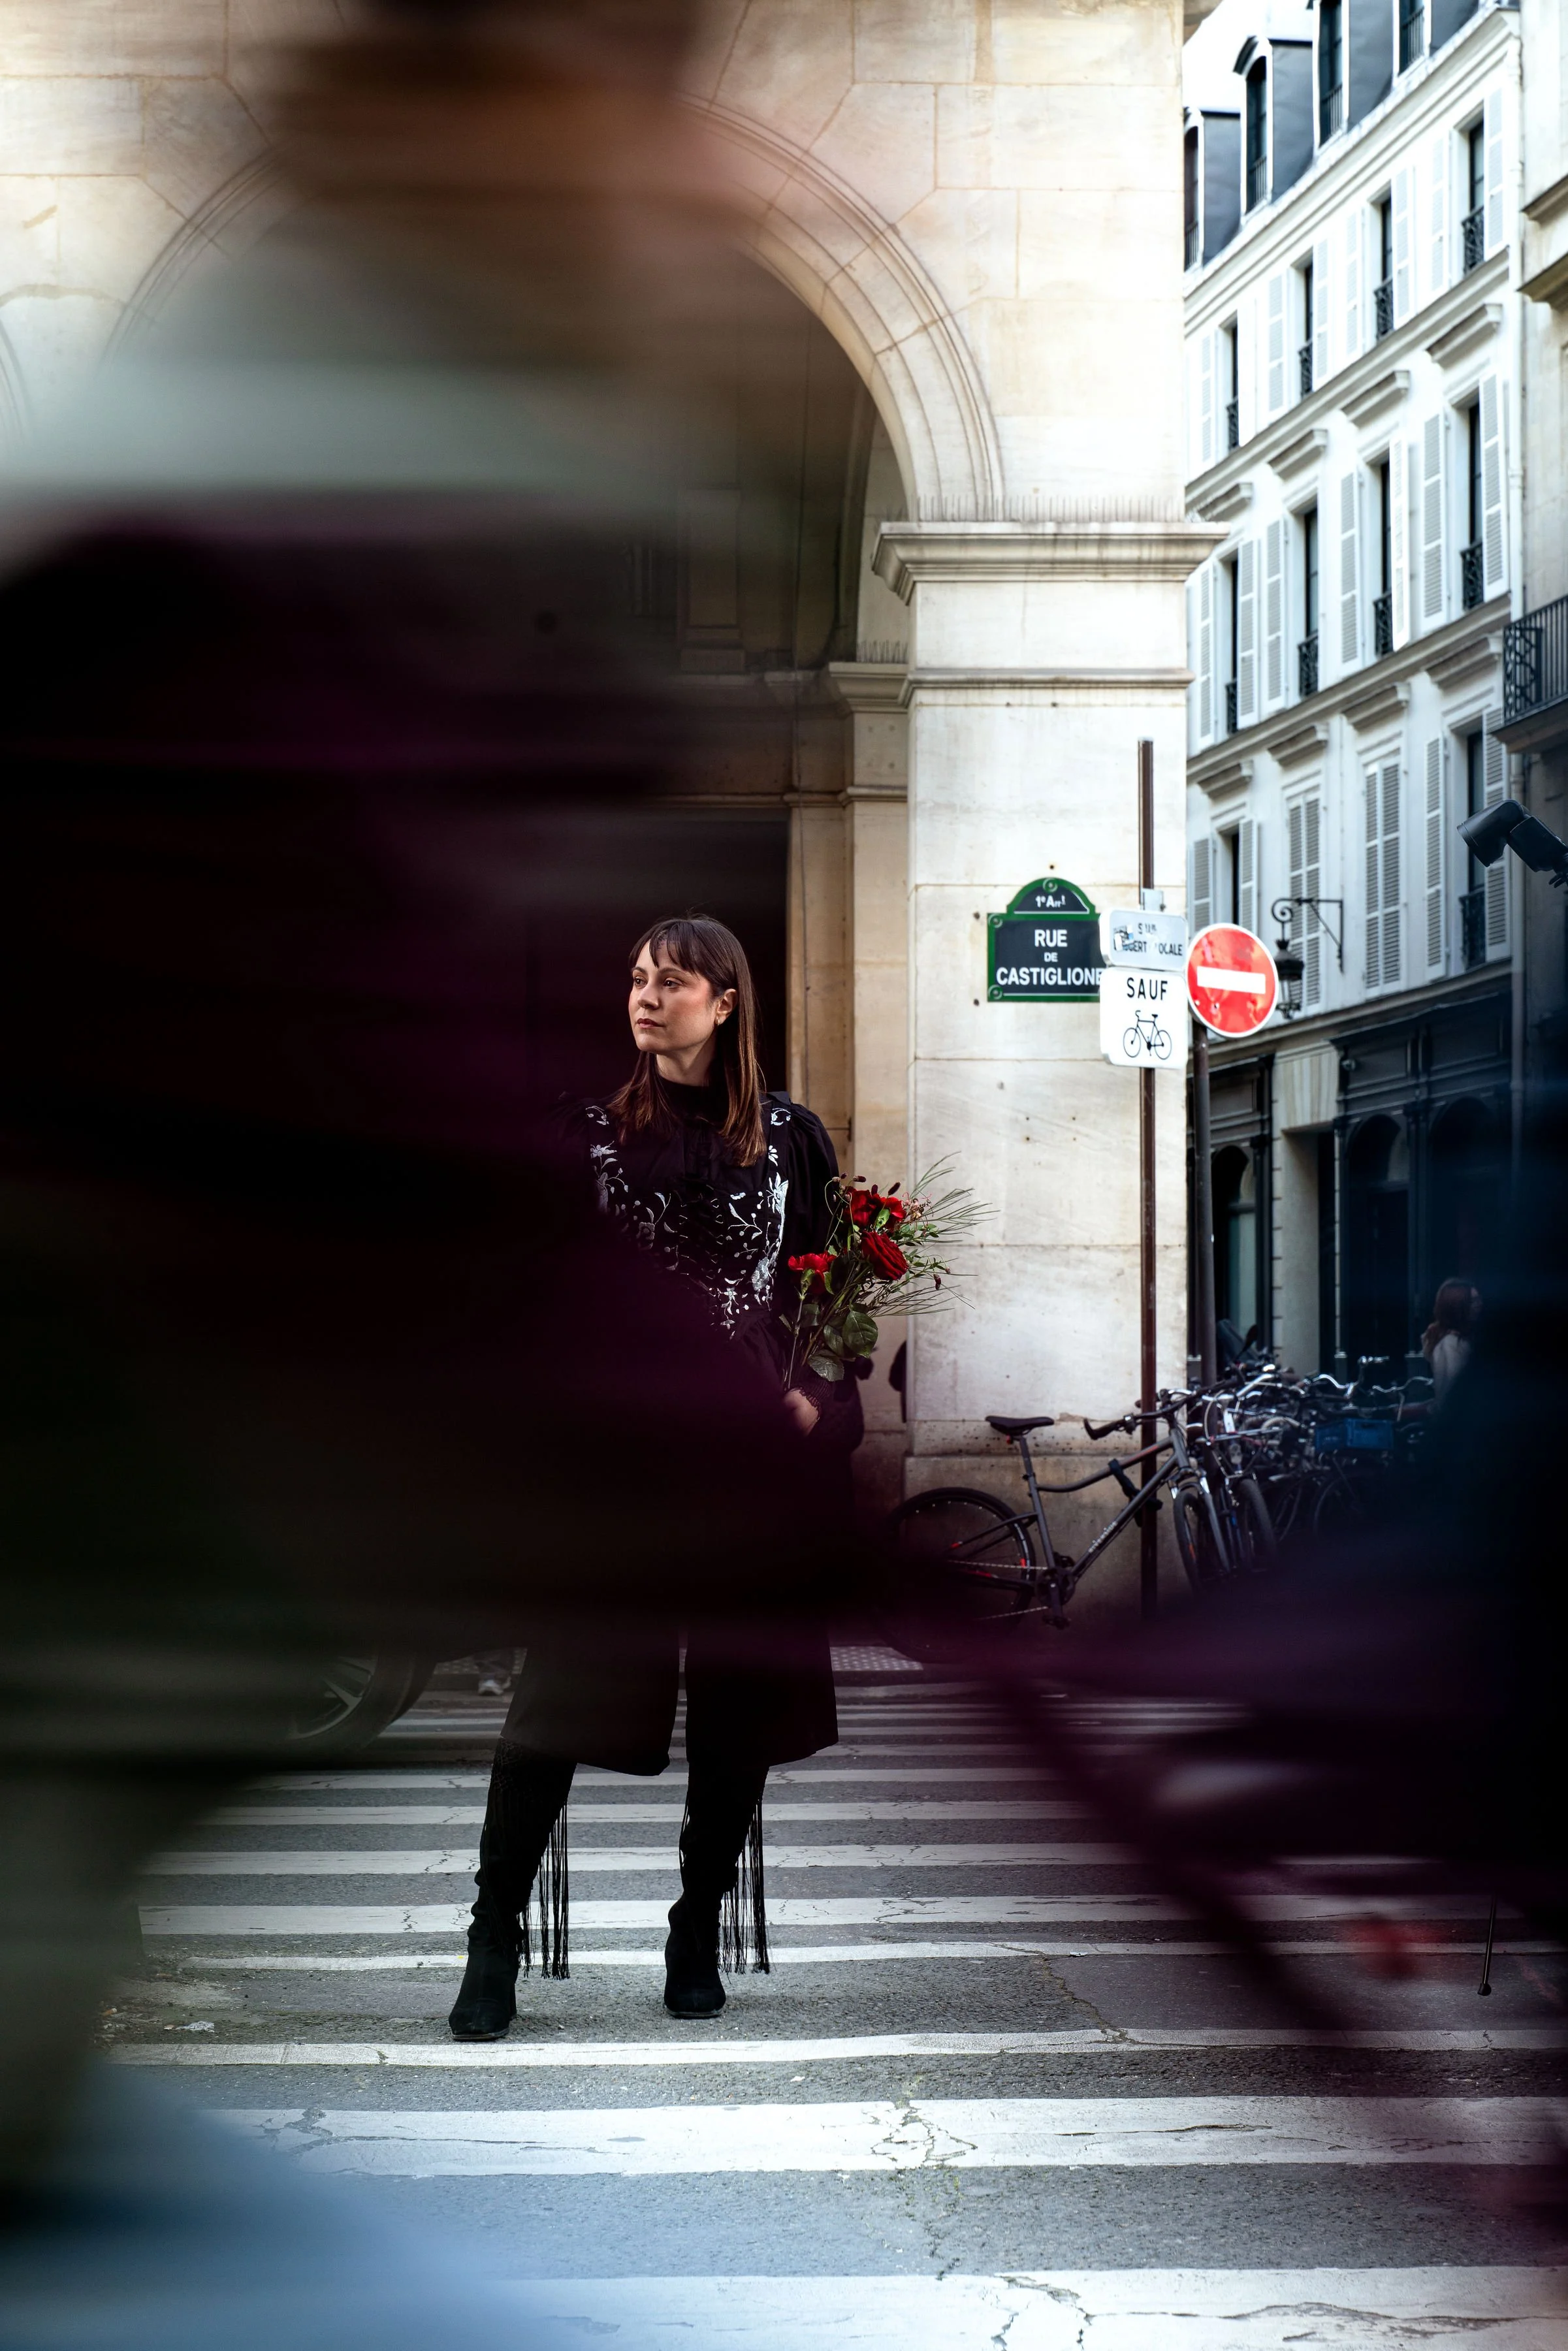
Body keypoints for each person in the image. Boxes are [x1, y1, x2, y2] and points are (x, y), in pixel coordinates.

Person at [448, 916, 859, 2040]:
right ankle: (493, 1941)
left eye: (671, 982)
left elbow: (839, 1293)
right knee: (551, 1709)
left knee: (738, 1717)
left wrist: (814, 1391)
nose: (645, 997)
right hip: (612, 1483)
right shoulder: (583, 1135)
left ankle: (695, 1929)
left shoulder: (791, 1139)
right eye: (636, 978)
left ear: (725, 1002)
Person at [1421, 1278, 1480, 1405]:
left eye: (1478, 1300)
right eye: (1472, 1301)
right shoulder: (1451, 1344)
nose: (1479, 1305)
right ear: (1457, 1306)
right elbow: (1450, 1396)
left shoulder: (1463, 1339)